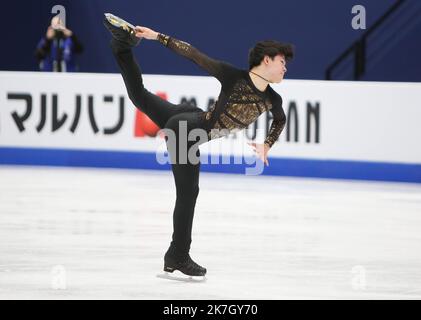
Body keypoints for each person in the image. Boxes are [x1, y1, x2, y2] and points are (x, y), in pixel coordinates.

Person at [103, 13, 293, 278]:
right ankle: (178, 255)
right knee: (188, 192)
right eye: (282, 62)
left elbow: (280, 120)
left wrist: (267, 145)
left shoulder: (273, 98)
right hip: (187, 131)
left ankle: (121, 46)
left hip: (190, 117)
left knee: (140, 97)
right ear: (267, 60)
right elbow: (193, 54)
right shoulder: (233, 76)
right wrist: (157, 36)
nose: (285, 68)